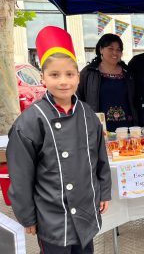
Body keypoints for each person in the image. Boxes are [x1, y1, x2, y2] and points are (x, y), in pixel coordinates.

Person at [6, 26, 112, 254]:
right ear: (43, 77)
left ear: (78, 77)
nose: (63, 81)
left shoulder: (88, 115)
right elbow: (21, 175)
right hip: (51, 215)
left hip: (85, 209)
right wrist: (27, 216)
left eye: (69, 74)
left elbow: (100, 158)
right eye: (54, 75)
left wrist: (103, 192)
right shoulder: (30, 121)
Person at [78, 33, 137, 132]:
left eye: (118, 50)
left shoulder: (128, 73)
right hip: (101, 128)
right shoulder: (89, 72)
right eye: (110, 48)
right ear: (101, 49)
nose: (115, 53)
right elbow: (79, 99)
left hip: (127, 127)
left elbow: (134, 99)